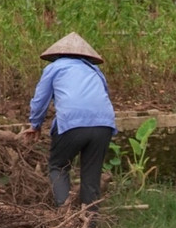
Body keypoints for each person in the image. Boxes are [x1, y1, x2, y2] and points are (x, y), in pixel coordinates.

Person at [25, 32, 116, 208]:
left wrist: (35, 125)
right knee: (91, 178)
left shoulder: (55, 67)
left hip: (72, 124)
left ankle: (64, 216)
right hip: (104, 125)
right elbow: (105, 95)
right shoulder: (94, 70)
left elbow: (40, 100)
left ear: (58, 54)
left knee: (58, 166)